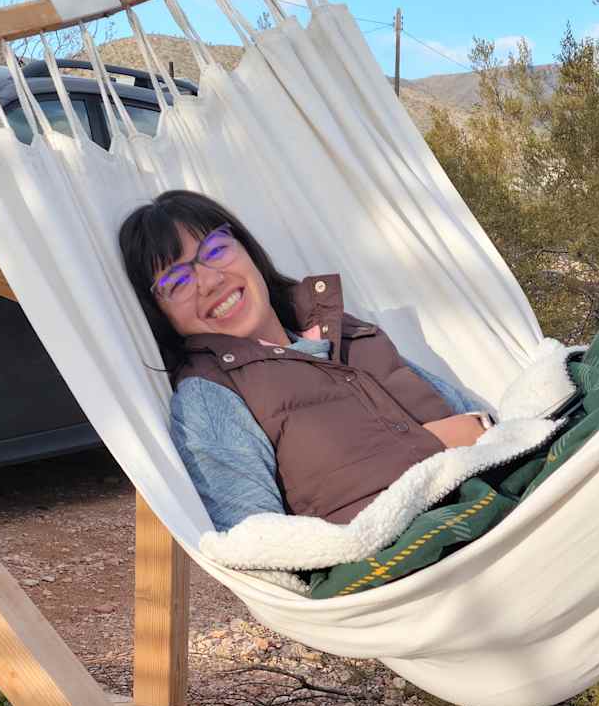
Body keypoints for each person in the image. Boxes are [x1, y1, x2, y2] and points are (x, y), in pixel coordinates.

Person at [119, 190, 496, 532]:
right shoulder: (210, 394)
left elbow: (475, 420)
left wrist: (474, 430)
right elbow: (257, 540)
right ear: (160, 314)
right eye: (177, 282)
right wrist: (434, 444)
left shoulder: (346, 331)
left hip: (502, 507)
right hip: (417, 567)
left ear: (247, 249)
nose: (209, 280)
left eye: (216, 250)